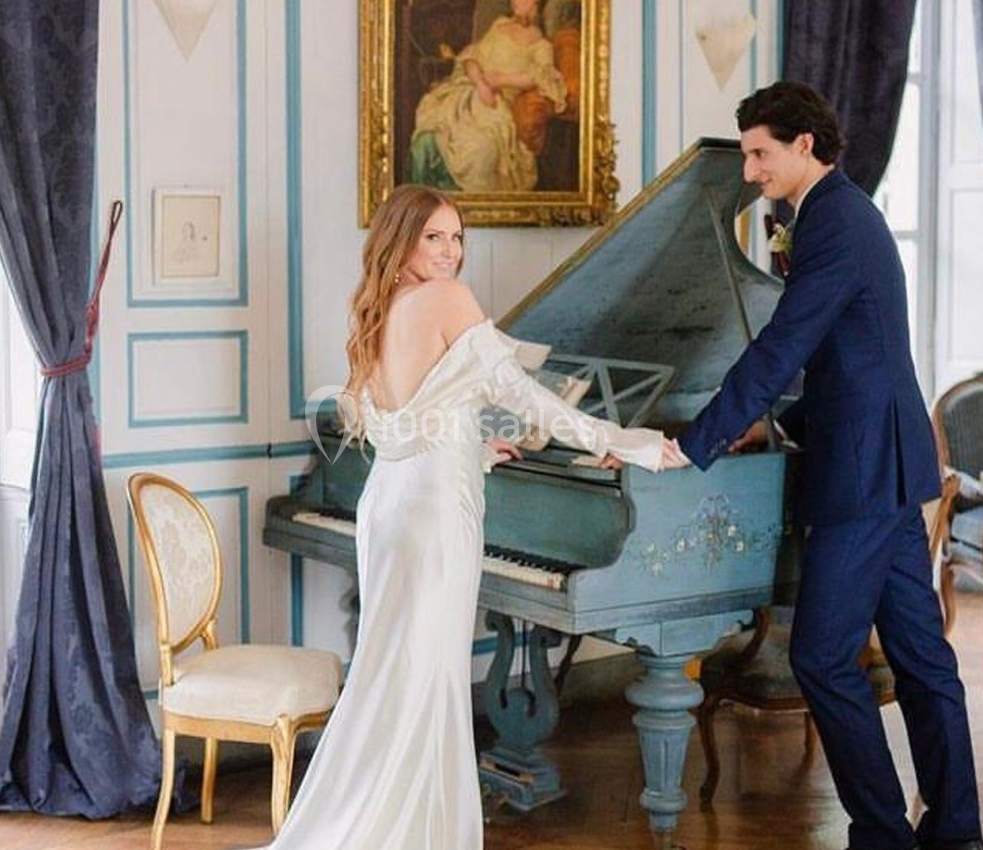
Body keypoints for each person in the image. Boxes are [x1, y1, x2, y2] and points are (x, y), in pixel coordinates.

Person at [251, 184, 672, 850]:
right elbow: (523, 396)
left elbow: (396, 424)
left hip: (392, 502)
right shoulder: (447, 300)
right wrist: (626, 442)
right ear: (402, 241)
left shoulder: (379, 307)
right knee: (426, 676)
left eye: (457, 239)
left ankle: (379, 823)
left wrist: (469, 445)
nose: (450, 253)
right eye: (434, 238)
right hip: (433, 514)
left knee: (394, 673)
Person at [666, 82, 983, 850]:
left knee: (819, 656)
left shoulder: (835, 222)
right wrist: (769, 422)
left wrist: (696, 440)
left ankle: (883, 833)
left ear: (804, 145)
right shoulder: (834, 214)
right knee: (921, 661)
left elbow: (786, 346)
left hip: (863, 470)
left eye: (759, 154)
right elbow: (854, 359)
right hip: (882, 457)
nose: (748, 172)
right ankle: (957, 834)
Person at [408, 0, 567, 192]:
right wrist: (481, 83)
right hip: (468, 93)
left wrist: (502, 80)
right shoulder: (500, 25)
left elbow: (541, 79)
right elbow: (471, 59)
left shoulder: (541, 46)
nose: (513, 1)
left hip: (496, 109)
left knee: (480, 149)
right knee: (428, 136)